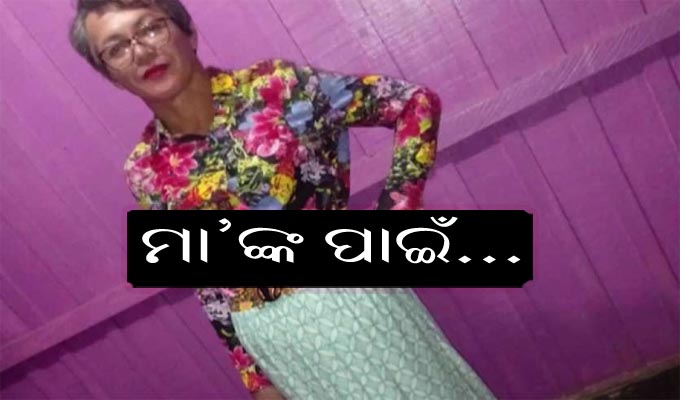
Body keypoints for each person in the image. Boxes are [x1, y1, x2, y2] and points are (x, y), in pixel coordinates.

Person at [70, 0, 497, 399]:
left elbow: (413, 103)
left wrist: (398, 210)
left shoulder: (276, 87)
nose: (141, 52)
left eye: (150, 28)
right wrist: (254, 378)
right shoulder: (145, 169)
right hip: (268, 337)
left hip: (350, 300)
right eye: (116, 48)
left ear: (189, 32)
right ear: (112, 77)